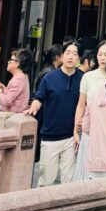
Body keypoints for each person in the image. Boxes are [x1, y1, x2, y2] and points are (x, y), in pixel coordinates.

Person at [25, 41, 83, 186]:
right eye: (67, 53)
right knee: (46, 181)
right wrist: (34, 107)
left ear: (79, 59)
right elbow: (39, 98)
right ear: (62, 56)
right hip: (50, 137)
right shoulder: (50, 77)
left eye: (74, 54)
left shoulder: (83, 78)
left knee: (68, 182)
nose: (70, 57)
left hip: (71, 137)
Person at [72, 40, 106, 181]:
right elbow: (81, 105)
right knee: (85, 173)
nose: (103, 58)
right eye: (100, 54)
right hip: (89, 133)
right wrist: (75, 130)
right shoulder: (88, 77)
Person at [0, 49, 32, 113]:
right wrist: (2, 88)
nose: (8, 62)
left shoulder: (18, 79)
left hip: (10, 118)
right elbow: (13, 96)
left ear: (17, 63)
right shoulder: (22, 76)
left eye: (11, 60)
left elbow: (7, 102)